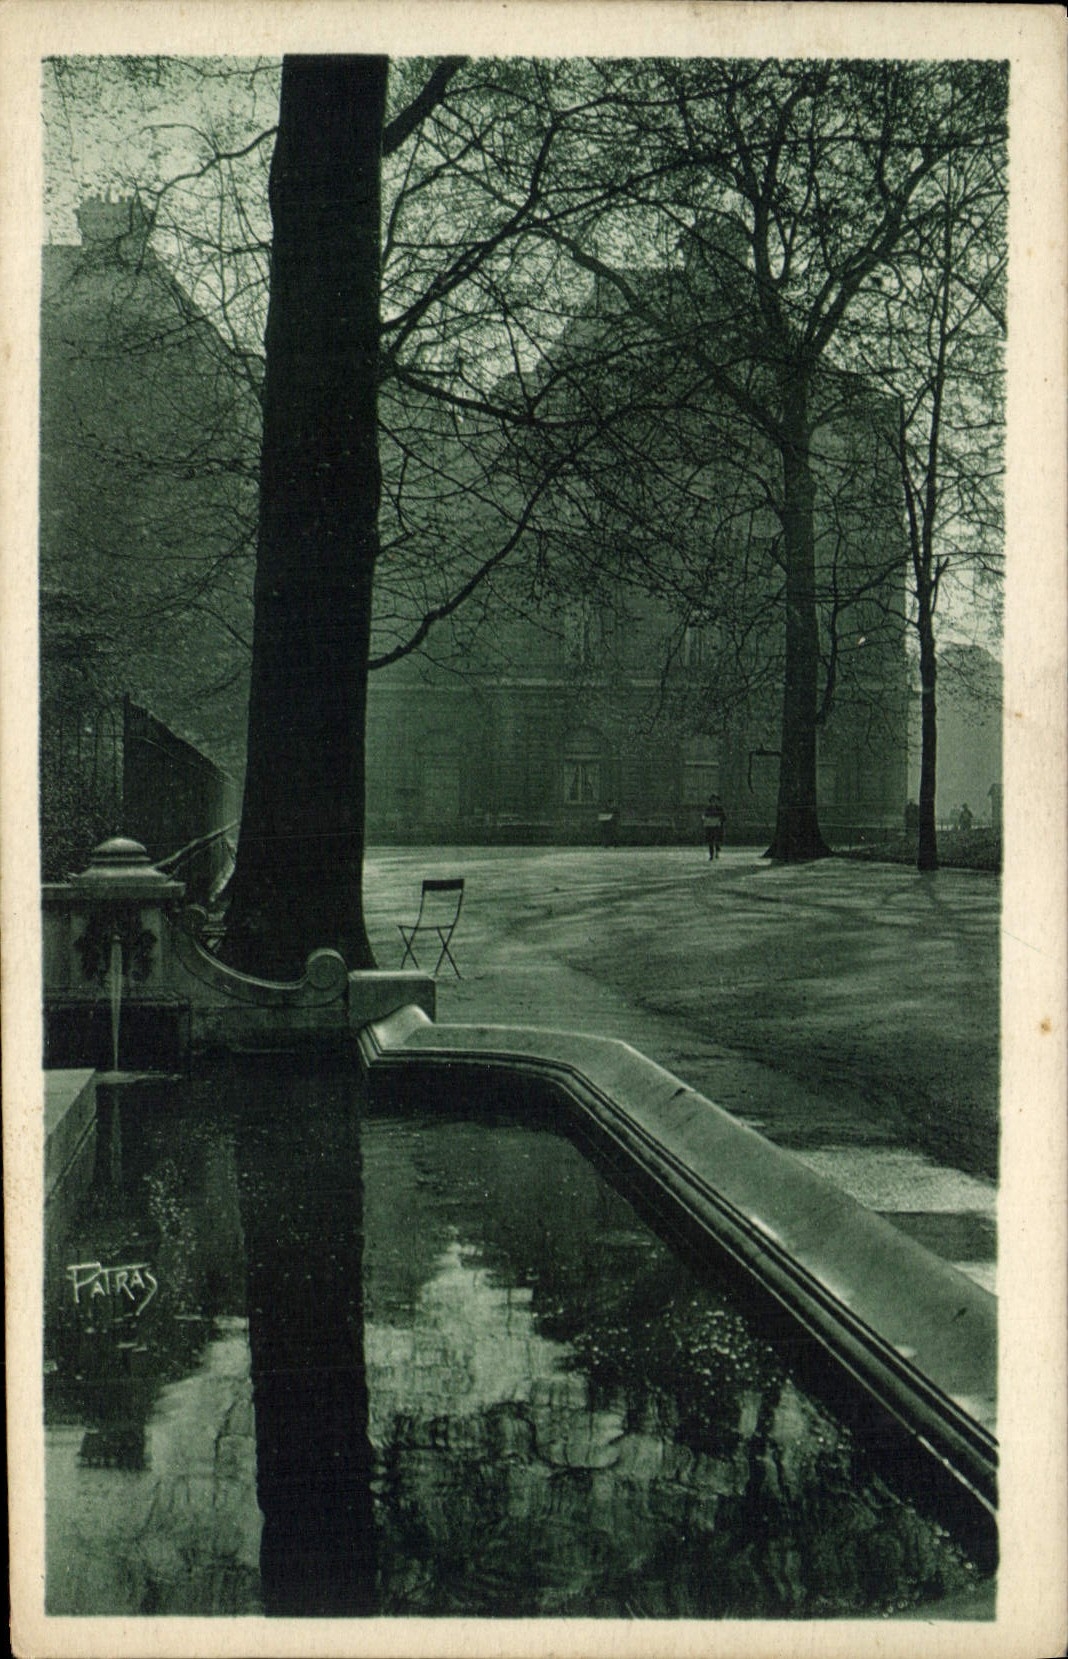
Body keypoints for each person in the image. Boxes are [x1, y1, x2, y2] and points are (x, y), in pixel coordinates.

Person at [702, 795, 726, 860]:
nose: (713, 802)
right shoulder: (708, 809)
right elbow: (705, 816)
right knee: (710, 841)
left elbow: (724, 817)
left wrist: (719, 819)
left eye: (715, 801)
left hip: (717, 827)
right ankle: (711, 855)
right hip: (710, 828)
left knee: (717, 841)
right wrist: (705, 819)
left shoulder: (720, 809)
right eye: (712, 801)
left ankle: (717, 852)